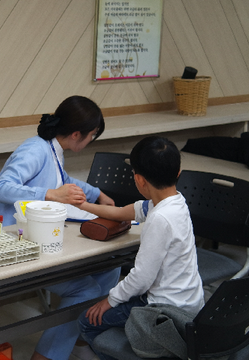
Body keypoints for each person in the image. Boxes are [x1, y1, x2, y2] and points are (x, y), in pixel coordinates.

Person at [0, 95, 120, 360]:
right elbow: (1, 188)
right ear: (77, 134)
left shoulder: (53, 151)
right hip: (6, 243)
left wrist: (96, 193)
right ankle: (46, 356)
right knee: (86, 289)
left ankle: (77, 338)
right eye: (92, 135)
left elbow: (64, 181)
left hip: (32, 239)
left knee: (109, 269)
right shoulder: (35, 149)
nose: (91, 141)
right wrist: (50, 195)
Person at [77, 136, 204, 360]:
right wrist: (80, 205)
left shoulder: (160, 218)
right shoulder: (174, 202)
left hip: (164, 310)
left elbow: (142, 278)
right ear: (178, 173)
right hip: (189, 301)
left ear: (139, 179)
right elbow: (119, 213)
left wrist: (110, 300)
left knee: (87, 322)